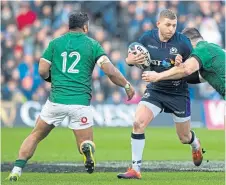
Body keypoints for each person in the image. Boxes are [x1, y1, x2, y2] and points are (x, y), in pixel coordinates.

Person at [7, 11, 135, 181]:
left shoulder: (55, 43)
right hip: (80, 103)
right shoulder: (92, 45)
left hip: (56, 101)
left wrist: (50, 79)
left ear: (69, 26)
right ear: (85, 26)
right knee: (85, 143)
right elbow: (109, 70)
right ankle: (86, 148)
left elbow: (42, 70)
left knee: (35, 135)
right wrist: (126, 85)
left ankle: (16, 170)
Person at [117, 10, 203, 180]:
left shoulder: (184, 43)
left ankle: (195, 144)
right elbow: (132, 58)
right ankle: (135, 169)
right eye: (168, 25)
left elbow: (190, 70)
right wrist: (129, 61)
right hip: (156, 90)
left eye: (174, 26)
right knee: (138, 123)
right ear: (158, 24)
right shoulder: (146, 39)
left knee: (184, 137)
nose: (171, 29)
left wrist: (181, 65)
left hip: (178, 93)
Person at [142, 27, 225, 99]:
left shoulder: (202, 49)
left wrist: (158, 76)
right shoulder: (212, 51)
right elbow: (190, 77)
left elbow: (186, 70)